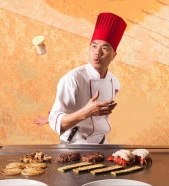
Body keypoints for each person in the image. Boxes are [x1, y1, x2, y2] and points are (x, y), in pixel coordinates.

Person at [40, 12, 127, 144]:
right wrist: (85, 113)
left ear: (113, 55)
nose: (97, 52)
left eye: (105, 47)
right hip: (74, 146)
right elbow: (57, 124)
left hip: (102, 144)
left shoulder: (114, 82)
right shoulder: (72, 79)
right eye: (94, 46)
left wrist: (62, 115)